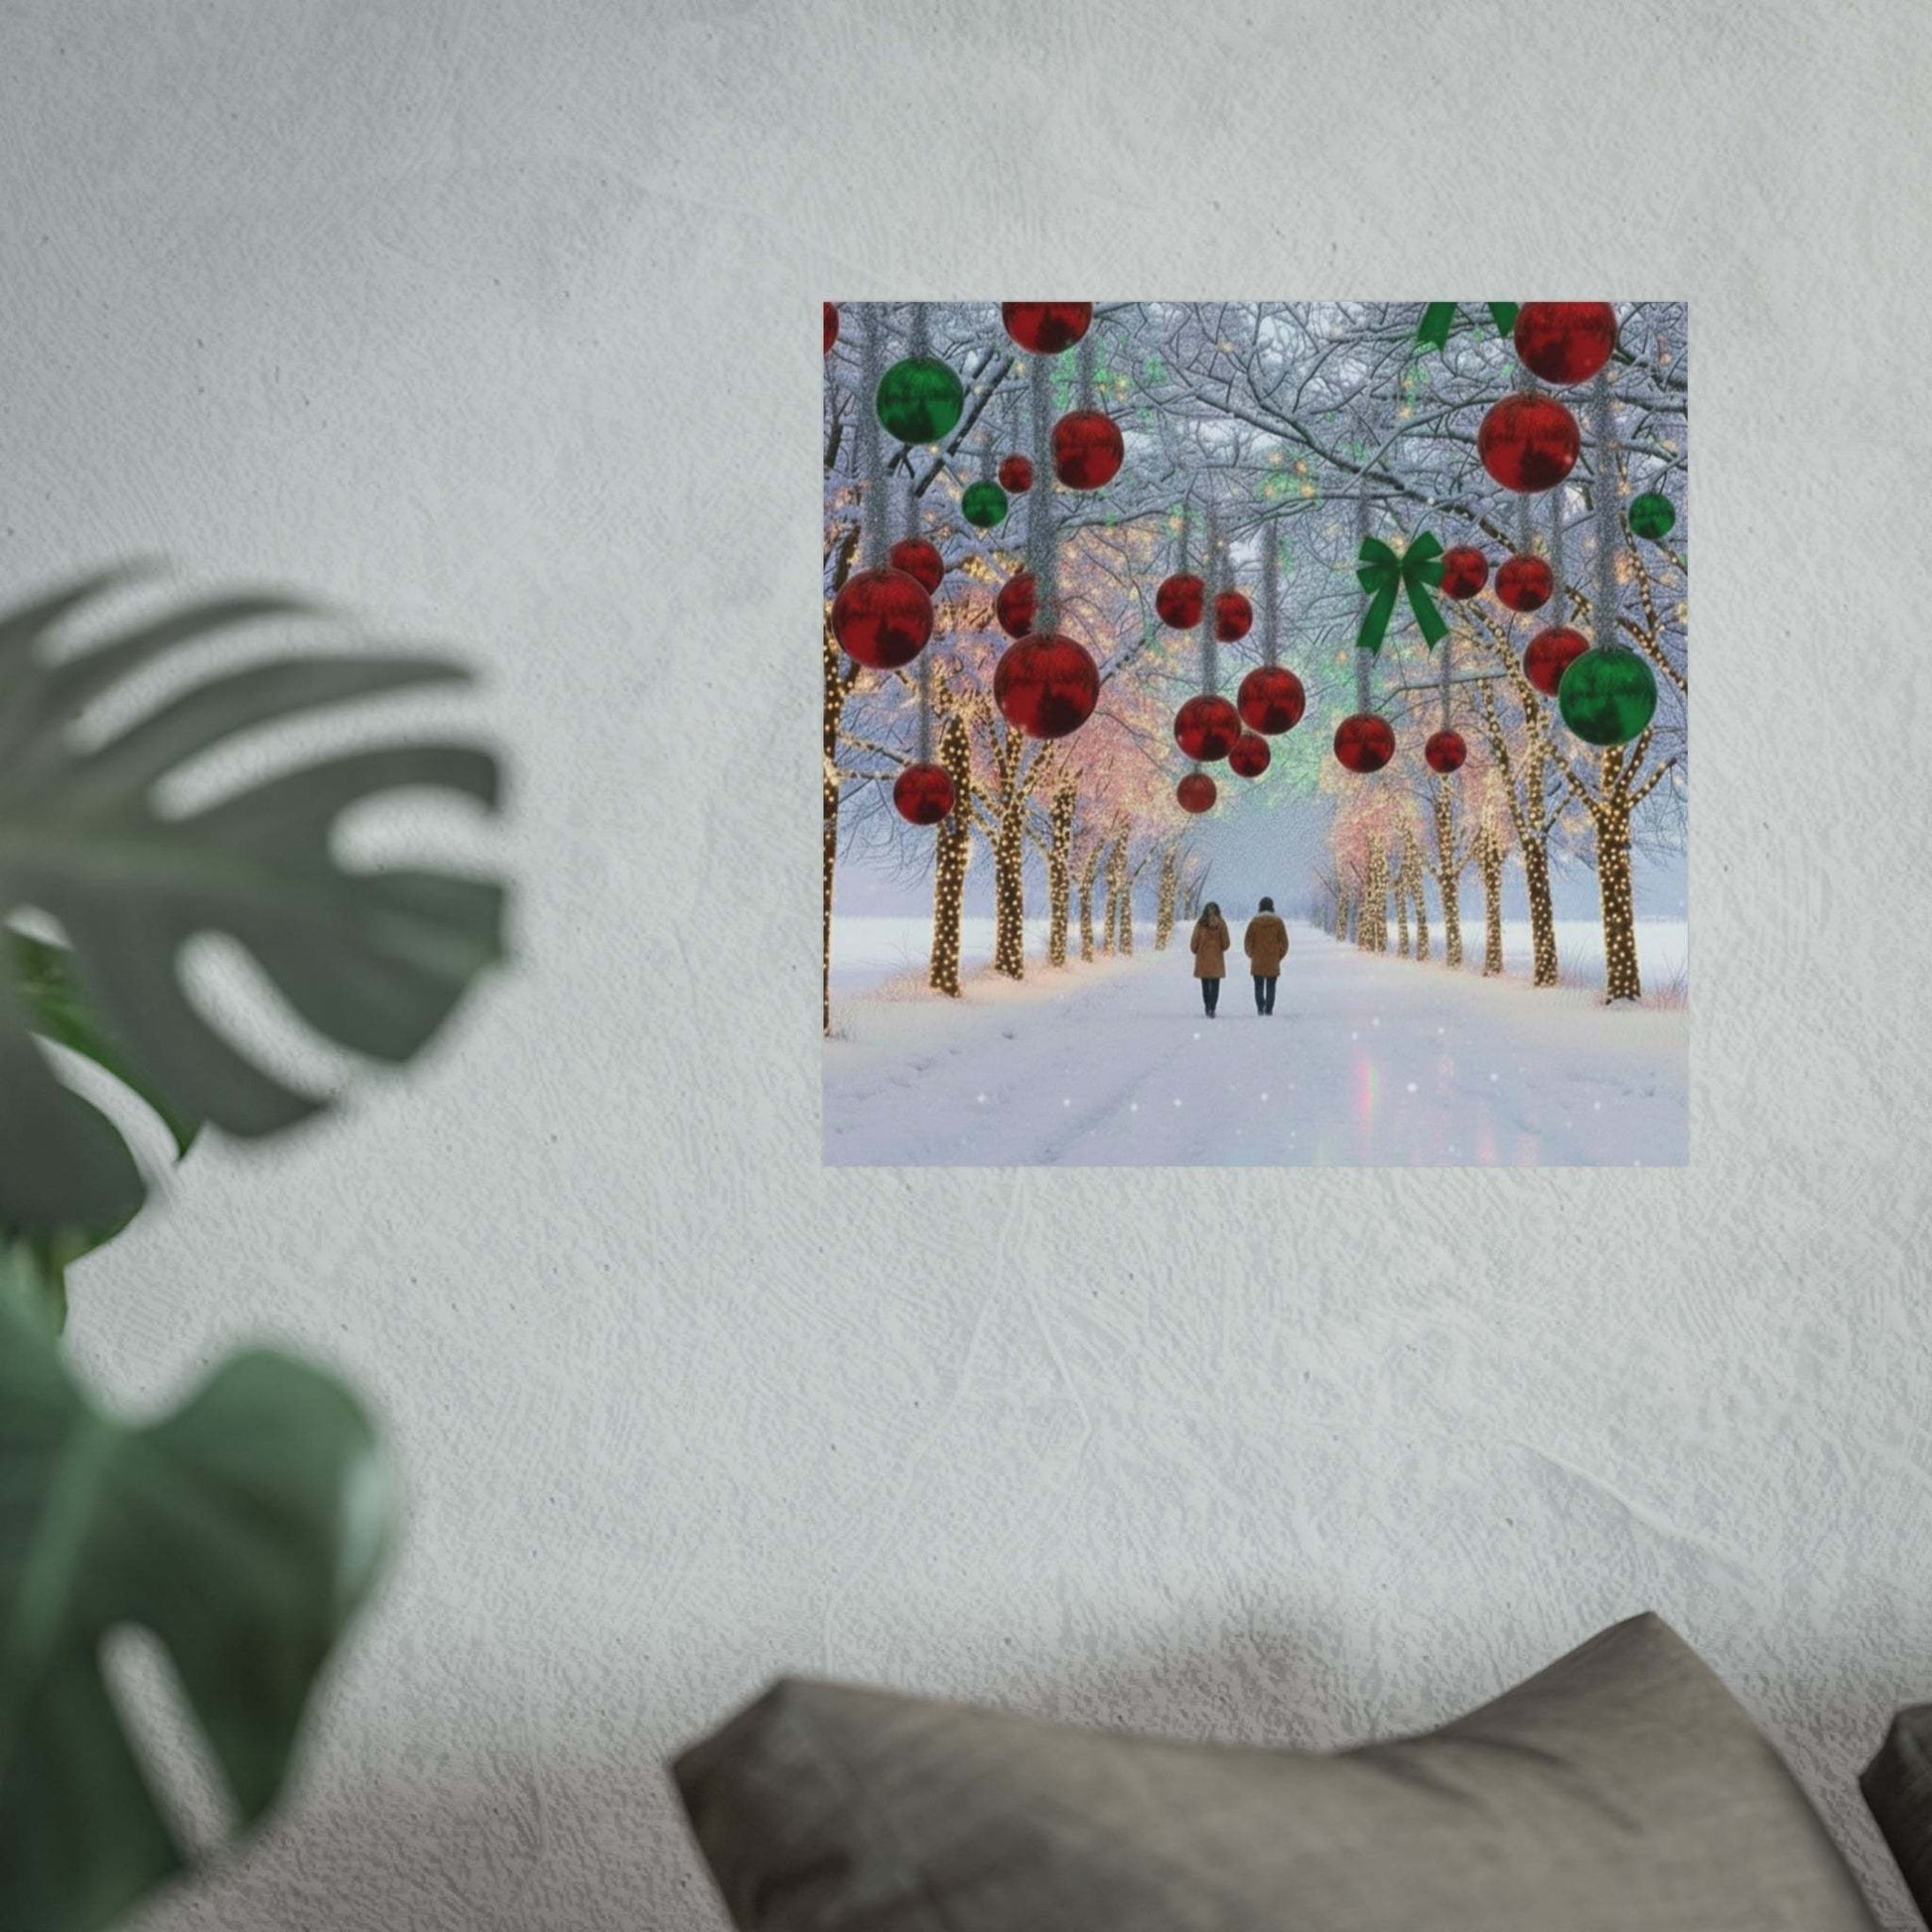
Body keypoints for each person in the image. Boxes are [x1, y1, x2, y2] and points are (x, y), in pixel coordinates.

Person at [1244, 896, 1289, 1015]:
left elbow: (1248, 941)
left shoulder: (1254, 922)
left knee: (1258, 985)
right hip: (1272, 959)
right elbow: (1284, 942)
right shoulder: (1278, 922)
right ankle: (1269, 1008)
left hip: (1257, 959)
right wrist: (1279, 956)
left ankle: (1260, 1007)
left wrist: (1251, 954)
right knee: (1271, 986)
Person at [1189, 901, 1229, 1017]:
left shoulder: (1200, 924)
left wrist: (1197, 949)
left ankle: (1207, 1006)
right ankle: (1213, 1007)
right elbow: (1226, 944)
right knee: (1215, 985)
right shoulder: (1221, 924)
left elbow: (1193, 944)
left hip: (1203, 959)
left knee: (1205, 984)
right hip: (1217, 960)